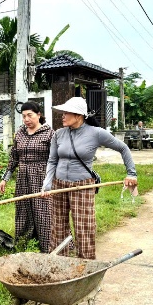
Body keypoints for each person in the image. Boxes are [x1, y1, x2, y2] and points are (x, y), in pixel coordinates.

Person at [42, 97, 138, 259]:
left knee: (83, 227)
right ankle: (58, 264)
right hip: (59, 184)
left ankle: (86, 267)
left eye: (66, 113)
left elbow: (123, 148)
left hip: (82, 186)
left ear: (79, 115)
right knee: (58, 227)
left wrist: (131, 173)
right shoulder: (59, 134)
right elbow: (52, 161)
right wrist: (47, 184)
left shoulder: (96, 133)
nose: (62, 116)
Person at [0, 102, 55, 252]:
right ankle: (24, 245)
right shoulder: (20, 133)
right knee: (23, 211)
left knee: (43, 212)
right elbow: (14, 158)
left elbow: (55, 159)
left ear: (39, 115)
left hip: (42, 177)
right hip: (23, 178)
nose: (26, 119)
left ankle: (48, 247)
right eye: (23, 116)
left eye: (30, 115)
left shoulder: (49, 133)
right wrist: (5, 178)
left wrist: (51, 181)